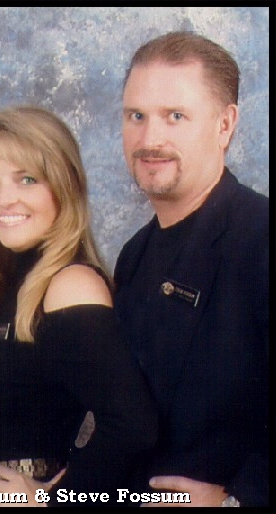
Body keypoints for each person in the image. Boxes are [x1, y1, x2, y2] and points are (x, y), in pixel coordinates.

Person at [0, 105, 158, 507]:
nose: (4, 199)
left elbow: (133, 426)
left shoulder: (70, 284)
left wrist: (54, 500)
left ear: (64, 186)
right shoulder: (5, 285)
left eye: (27, 179)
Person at [114, 31, 269, 508]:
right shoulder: (134, 257)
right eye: (136, 116)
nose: (149, 140)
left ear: (225, 125)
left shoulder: (260, 237)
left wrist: (236, 501)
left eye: (175, 116)